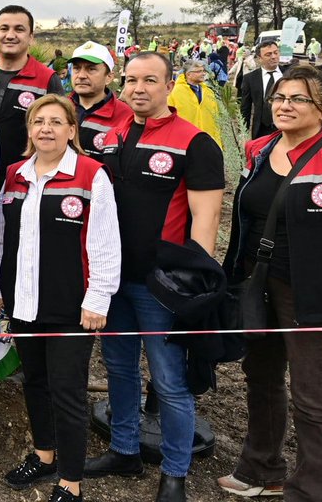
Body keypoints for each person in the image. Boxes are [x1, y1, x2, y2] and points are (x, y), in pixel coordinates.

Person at [85, 51, 225, 502]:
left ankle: (175, 472)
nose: (139, 88)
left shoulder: (195, 142)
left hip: (162, 285)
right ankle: (124, 449)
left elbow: (205, 220)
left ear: (170, 85)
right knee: (120, 369)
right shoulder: (111, 136)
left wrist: (195, 288)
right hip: (113, 281)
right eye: (131, 80)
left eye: (150, 80)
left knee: (168, 381)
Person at [218, 65, 322, 501]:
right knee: (260, 377)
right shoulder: (258, 149)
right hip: (259, 282)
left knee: (313, 395)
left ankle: (311, 490)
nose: (284, 105)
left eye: (298, 99)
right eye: (280, 97)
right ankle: (262, 469)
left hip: (315, 291)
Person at [0, 95, 120, 502]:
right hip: (23, 302)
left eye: (55, 122)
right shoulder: (14, 175)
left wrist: (98, 298)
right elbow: (2, 241)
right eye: (38, 122)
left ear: (71, 130)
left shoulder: (90, 175)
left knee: (67, 390)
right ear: (29, 130)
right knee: (35, 382)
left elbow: (104, 243)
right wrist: (0, 290)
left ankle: (70, 480)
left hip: (70, 305)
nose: (46, 129)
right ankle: (44, 456)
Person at [0, 5, 64, 332]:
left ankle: (9, 337)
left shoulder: (47, 79)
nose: (11, 34)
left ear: (31, 36)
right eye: (4, 28)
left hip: (23, 188)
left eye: (19, 29)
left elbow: (58, 131)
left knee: (17, 265)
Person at [240, 40, 322, 139]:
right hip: (263, 131)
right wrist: (243, 133)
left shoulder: (292, 72)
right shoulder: (250, 78)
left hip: (292, 128)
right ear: (259, 58)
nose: (273, 57)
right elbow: (245, 107)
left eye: (276, 52)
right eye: (268, 54)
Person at [68, 41, 133, 157]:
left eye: (91, 69)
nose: (81, 75)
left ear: (109, 77)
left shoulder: (126, 116)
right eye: (76, 68)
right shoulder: (59, 108)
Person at [168, 59, 223, 147]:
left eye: (204, 71)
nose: (203, 74)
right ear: (188, 74)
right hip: (184, 142)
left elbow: (216, 119)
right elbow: (168, 118)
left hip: (208, 141)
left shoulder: (209, 92)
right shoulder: (175, 92)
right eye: (199, 71)